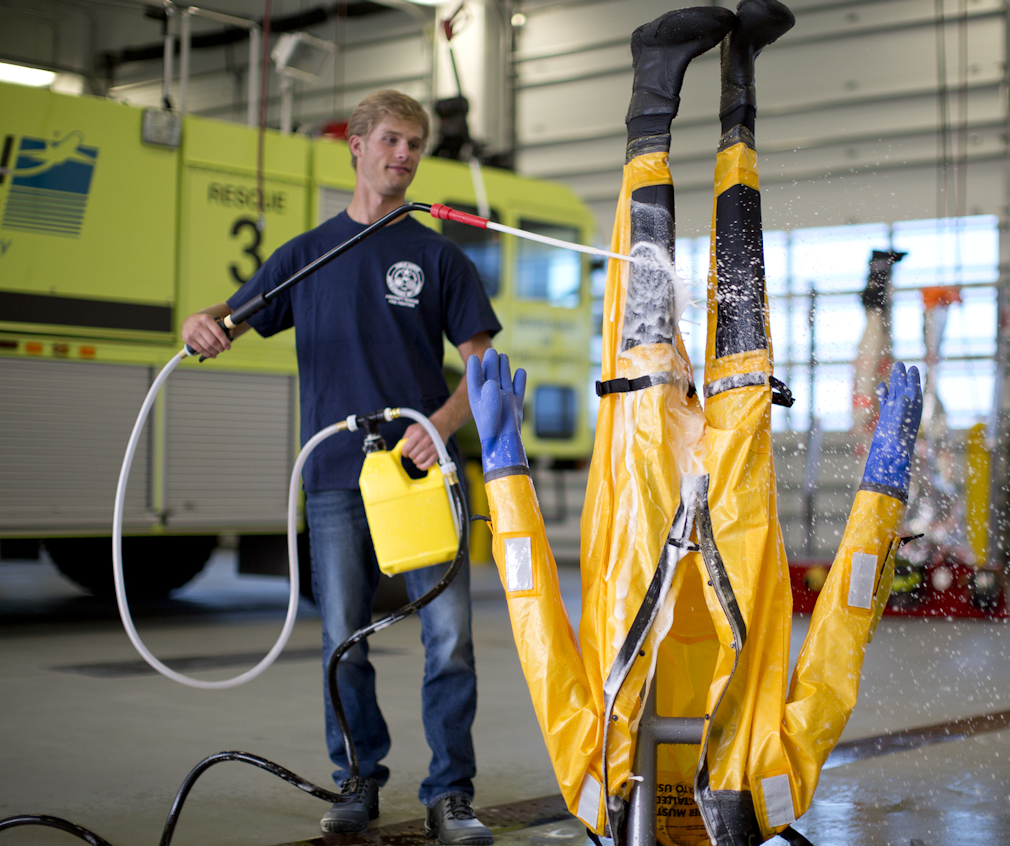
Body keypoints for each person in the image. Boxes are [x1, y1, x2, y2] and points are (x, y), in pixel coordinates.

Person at [463, 4, 923, 846]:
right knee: (744, 307)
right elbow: (839, 642)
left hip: (639, 517)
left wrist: (504, 473)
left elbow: (538, 630)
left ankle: (652, 93)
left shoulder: (595, 788)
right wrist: (881, 496)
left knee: (645, 301)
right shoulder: (769, 794)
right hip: (734, 522)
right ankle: (739, 88)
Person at [181, 90, 497, 844]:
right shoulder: (308, 255)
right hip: (332, 477)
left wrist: (437, 427)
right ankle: (359, 780)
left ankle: (451, 794)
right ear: (356, 146)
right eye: (390, 139)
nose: (404, 155)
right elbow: (227, 320)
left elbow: (485, 370)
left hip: (421, 475)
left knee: (450, 639)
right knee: (342, 640)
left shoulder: (439, 257)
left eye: (414, 144)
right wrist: (202, 323)